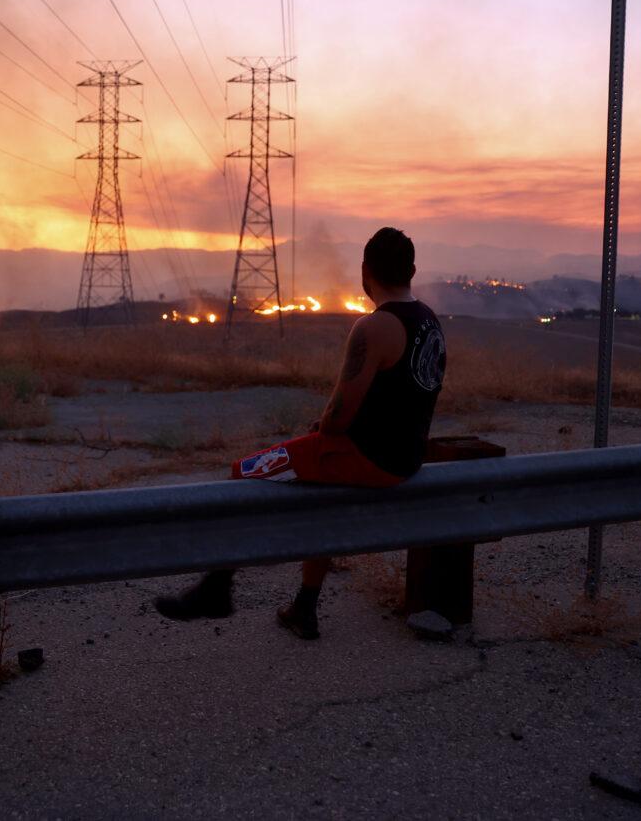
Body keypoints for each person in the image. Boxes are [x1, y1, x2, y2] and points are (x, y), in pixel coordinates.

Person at [154, 227, 446, 639]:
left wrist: (325, 429)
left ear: (365, 272)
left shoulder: (374, 327)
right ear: (412, 270)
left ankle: (215, 589)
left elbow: (336, 419)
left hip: (369, 459)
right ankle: (304, 609)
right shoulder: (429, 321)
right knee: (320, 502)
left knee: (244, 473)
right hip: (408, 456)